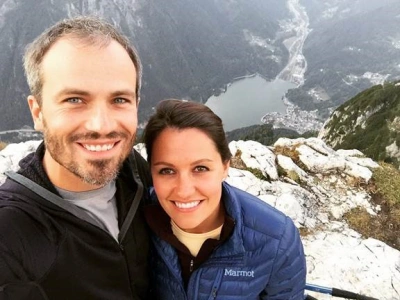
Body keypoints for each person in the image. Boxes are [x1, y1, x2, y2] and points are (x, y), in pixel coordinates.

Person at [0, 16, 152, 299]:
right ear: (38, 112)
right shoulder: (11, 232)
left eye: (119, 100)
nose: (101, 126)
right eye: (74, 100)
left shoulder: (136, 171)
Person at [143, 99, 306, 299]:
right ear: (151, 172)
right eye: (166, 170)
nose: (184, 191)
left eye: (200, 168)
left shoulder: (277, 241)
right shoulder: (135, 220)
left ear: (225, 167)